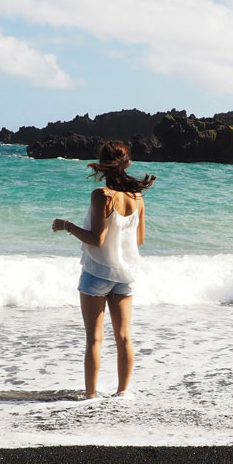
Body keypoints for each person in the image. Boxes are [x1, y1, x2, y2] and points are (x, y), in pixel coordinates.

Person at [52, 141, 156, 398]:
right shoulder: (137, 197)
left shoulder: (101, 195)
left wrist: (66, 225)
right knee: (124, 337)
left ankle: (90, 397)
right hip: (126, 275)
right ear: (126, 163)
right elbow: (139, 240)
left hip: (97, 273)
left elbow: (96, 239)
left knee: (94, 339)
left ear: (102, 163)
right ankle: (122, 394)